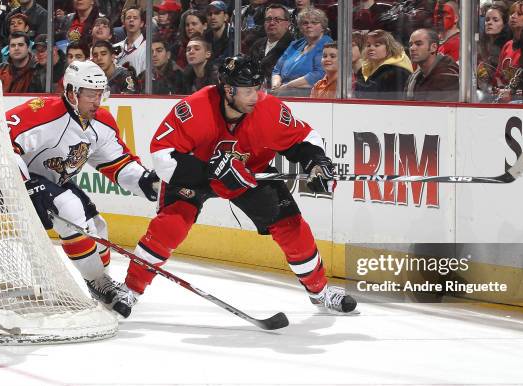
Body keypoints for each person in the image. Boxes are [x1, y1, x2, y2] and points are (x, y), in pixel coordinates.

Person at [111, 54, 357, 318]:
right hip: (196, 176)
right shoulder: (195, 109)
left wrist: (317, 163)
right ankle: (131, 289)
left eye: (257, 88)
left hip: (249, 174)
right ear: (228, 89)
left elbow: (303, 138)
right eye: (248, 90)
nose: (255, 96)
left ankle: (320, 292)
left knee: (291, 227)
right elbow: (162, 155)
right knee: (169, 226)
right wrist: (209, 173)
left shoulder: (269, 109)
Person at [5, 60, 159, 306]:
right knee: (70, 208)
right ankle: (97, 281)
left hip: (52, 181)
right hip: (8, 181)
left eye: (100, 94)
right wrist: (24, 184)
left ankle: (100, 281)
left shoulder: (102, 123)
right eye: (90, 95)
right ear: (70, 92)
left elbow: (118, 164)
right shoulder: (40, 111)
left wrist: (147, 182)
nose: (97, 102)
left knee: (98, 227)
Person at [270, 7, 332, 96]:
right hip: (282, 92)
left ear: (323, 27)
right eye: (305, 23)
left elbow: (319, 75)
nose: (309, 25)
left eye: (314, 22)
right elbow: (277, 70)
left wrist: (287, 86)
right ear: (301, 27)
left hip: (309, 95)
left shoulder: (327, 45)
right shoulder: (295, 44)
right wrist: (275, 86)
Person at [355, 29, 413, 100]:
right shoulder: (368, 70)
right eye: (368, 45)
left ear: (389, 48)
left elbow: (370, 96)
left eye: (377, 45)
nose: (371, 48)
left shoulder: (397, 73)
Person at [405, 28, 459, 101]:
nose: (412, 48)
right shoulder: (414, 77)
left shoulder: (449, 76)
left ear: (433, 47)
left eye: (418, 44)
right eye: (410, 44)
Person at [248, 3, 293, 87]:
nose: (272, 23)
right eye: (268, 19)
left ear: (288, 24)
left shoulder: (293, 47)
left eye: (277, 19)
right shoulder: (257, 45)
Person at [476, 3, 511, 100]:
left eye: (495, 20)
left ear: (504, 23)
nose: (489, 23)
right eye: (487, 20)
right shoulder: (480, 46)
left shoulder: (508, 48)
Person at [114, 7, 147, 77]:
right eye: (128, 18)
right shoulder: (115, 47)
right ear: (124, 23)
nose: (131, 20)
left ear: (141, 23)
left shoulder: (148, 48)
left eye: (135, 18)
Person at [203, 0, 234, 66]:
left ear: (225, 17)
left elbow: (228, 61)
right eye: (209, 14)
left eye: (217, 13)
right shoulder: (206, 36)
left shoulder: (233, 35)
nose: (212, 17)